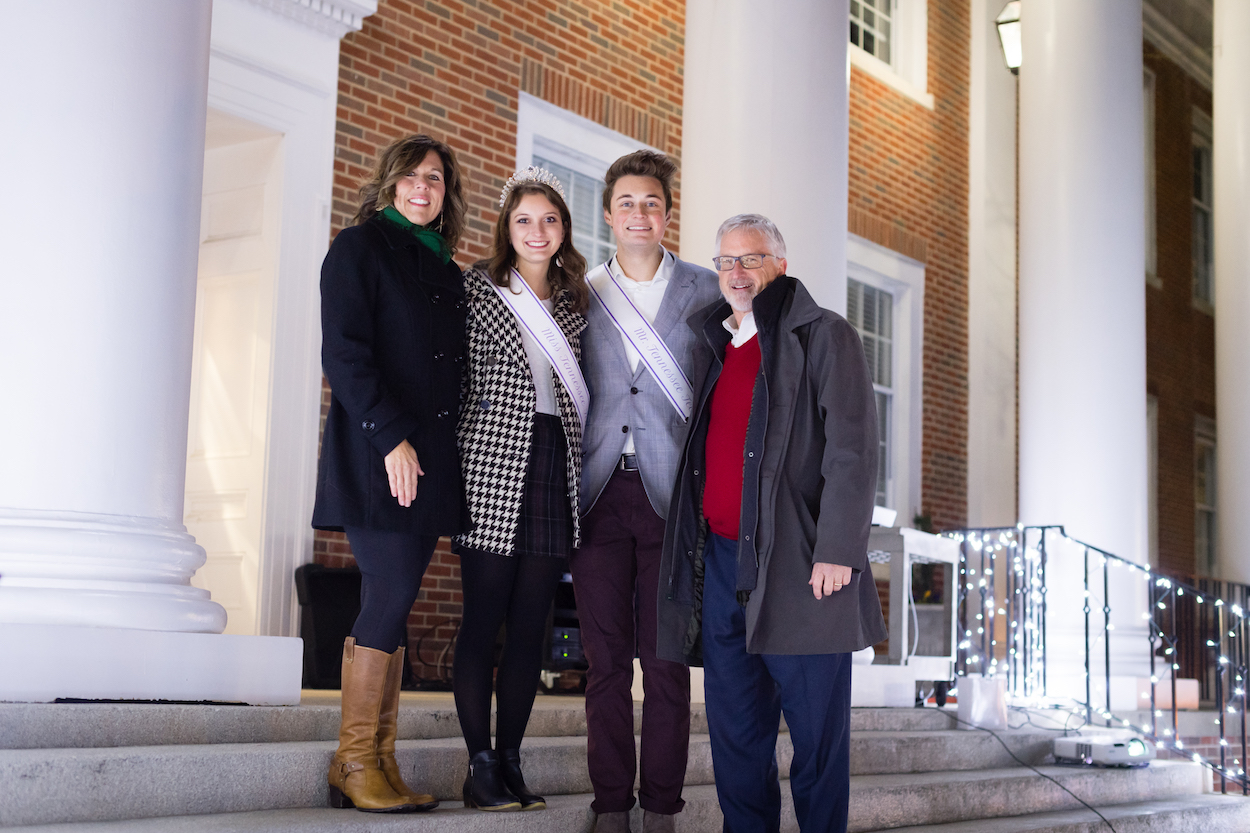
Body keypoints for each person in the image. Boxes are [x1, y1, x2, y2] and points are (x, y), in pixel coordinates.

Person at [657, 214, 887, 833]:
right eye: (726, 261)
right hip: (723, 562)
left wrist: (838, 549)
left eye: (751, 259)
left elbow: (853, 449)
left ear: (780, 265)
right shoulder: (713, 343)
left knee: (816, 741)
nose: (736, 272)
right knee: (737, 737)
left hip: (802, 566)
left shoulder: (823, 335)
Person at [312, 134, 471, 814]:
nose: (421, 187)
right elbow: (344, 354)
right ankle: (353, 758)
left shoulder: (448, 271)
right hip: (378, 453)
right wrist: (392, 438)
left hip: (428, 460)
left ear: (445, 194)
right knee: (389, 591)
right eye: (410, 176)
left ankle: (378, 759)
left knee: (398, 597)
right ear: (389, 183)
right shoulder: (359, 248)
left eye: (434, 179)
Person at [574, 150, 721, 833]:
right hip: (600, 491)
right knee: (604, 663)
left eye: (652, 203)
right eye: (627, 202)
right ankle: (610, 805)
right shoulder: (580, 289)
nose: (640, 213)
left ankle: (661, 806)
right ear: (609, 213)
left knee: (665, 664)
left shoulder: (707, 288)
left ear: (668, 213)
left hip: (673, 498)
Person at [452, 166, 589, 812]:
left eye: (550, 219)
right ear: (508, 228)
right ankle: (477, 763)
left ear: (563, 230)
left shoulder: (575, 304)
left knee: (530, 630)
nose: (537, 231)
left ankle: (510, 760)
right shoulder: (477, 290)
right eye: (524, 219)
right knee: (483, 620)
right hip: (489, 465)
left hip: (552, 463)